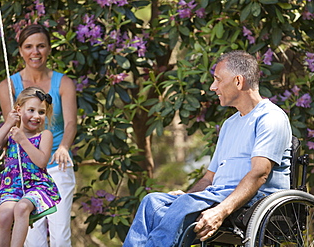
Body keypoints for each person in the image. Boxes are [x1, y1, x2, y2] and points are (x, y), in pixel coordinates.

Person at [122, 50, 292, 247]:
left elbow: (259, 174)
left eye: (218, 80)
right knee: (152, 203)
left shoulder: (271, 117)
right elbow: (209, 178)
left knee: (184, 206)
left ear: (238, 81)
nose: (213, 87)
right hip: (216, 194)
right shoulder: (229, 124)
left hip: (256, 199)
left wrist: (220, 211)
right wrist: (187, 195)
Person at [0, 24, 77, 246]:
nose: (35, 52)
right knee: (34, 239)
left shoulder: (63, 83)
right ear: (20, 50)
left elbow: (71, 123)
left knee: (60, 235)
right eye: (29, 46)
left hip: (55, 164)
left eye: (41, 46)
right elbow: (12, 127)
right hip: (27, 168)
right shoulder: (9, 85)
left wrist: (63, 147)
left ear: (49, 49)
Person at [0, 87, 61, 247]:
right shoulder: (11, 132)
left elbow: (41, 162)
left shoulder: (44, 135)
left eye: (41, 112)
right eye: (31, 110)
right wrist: (8, 123)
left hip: (37, 186)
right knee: (5, 214)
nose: (36, 116)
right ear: (19, 110)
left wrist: (23, 140)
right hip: (11, 186)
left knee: (21, 207)